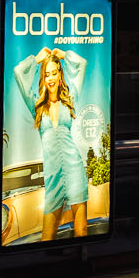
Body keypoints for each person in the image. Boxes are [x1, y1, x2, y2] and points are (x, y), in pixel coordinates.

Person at [14, 46, 90, 242]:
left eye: (54, 73)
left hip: (74, 170)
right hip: (53, 175)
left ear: (59, 75)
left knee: (81, 231)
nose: (50, 78)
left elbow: (82, 64)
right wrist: (36, 59)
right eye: (47, 74)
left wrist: (63, 55)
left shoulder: (70, 98)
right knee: (47, 237)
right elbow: (18, 73)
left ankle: (81, 267)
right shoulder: (36, 105)